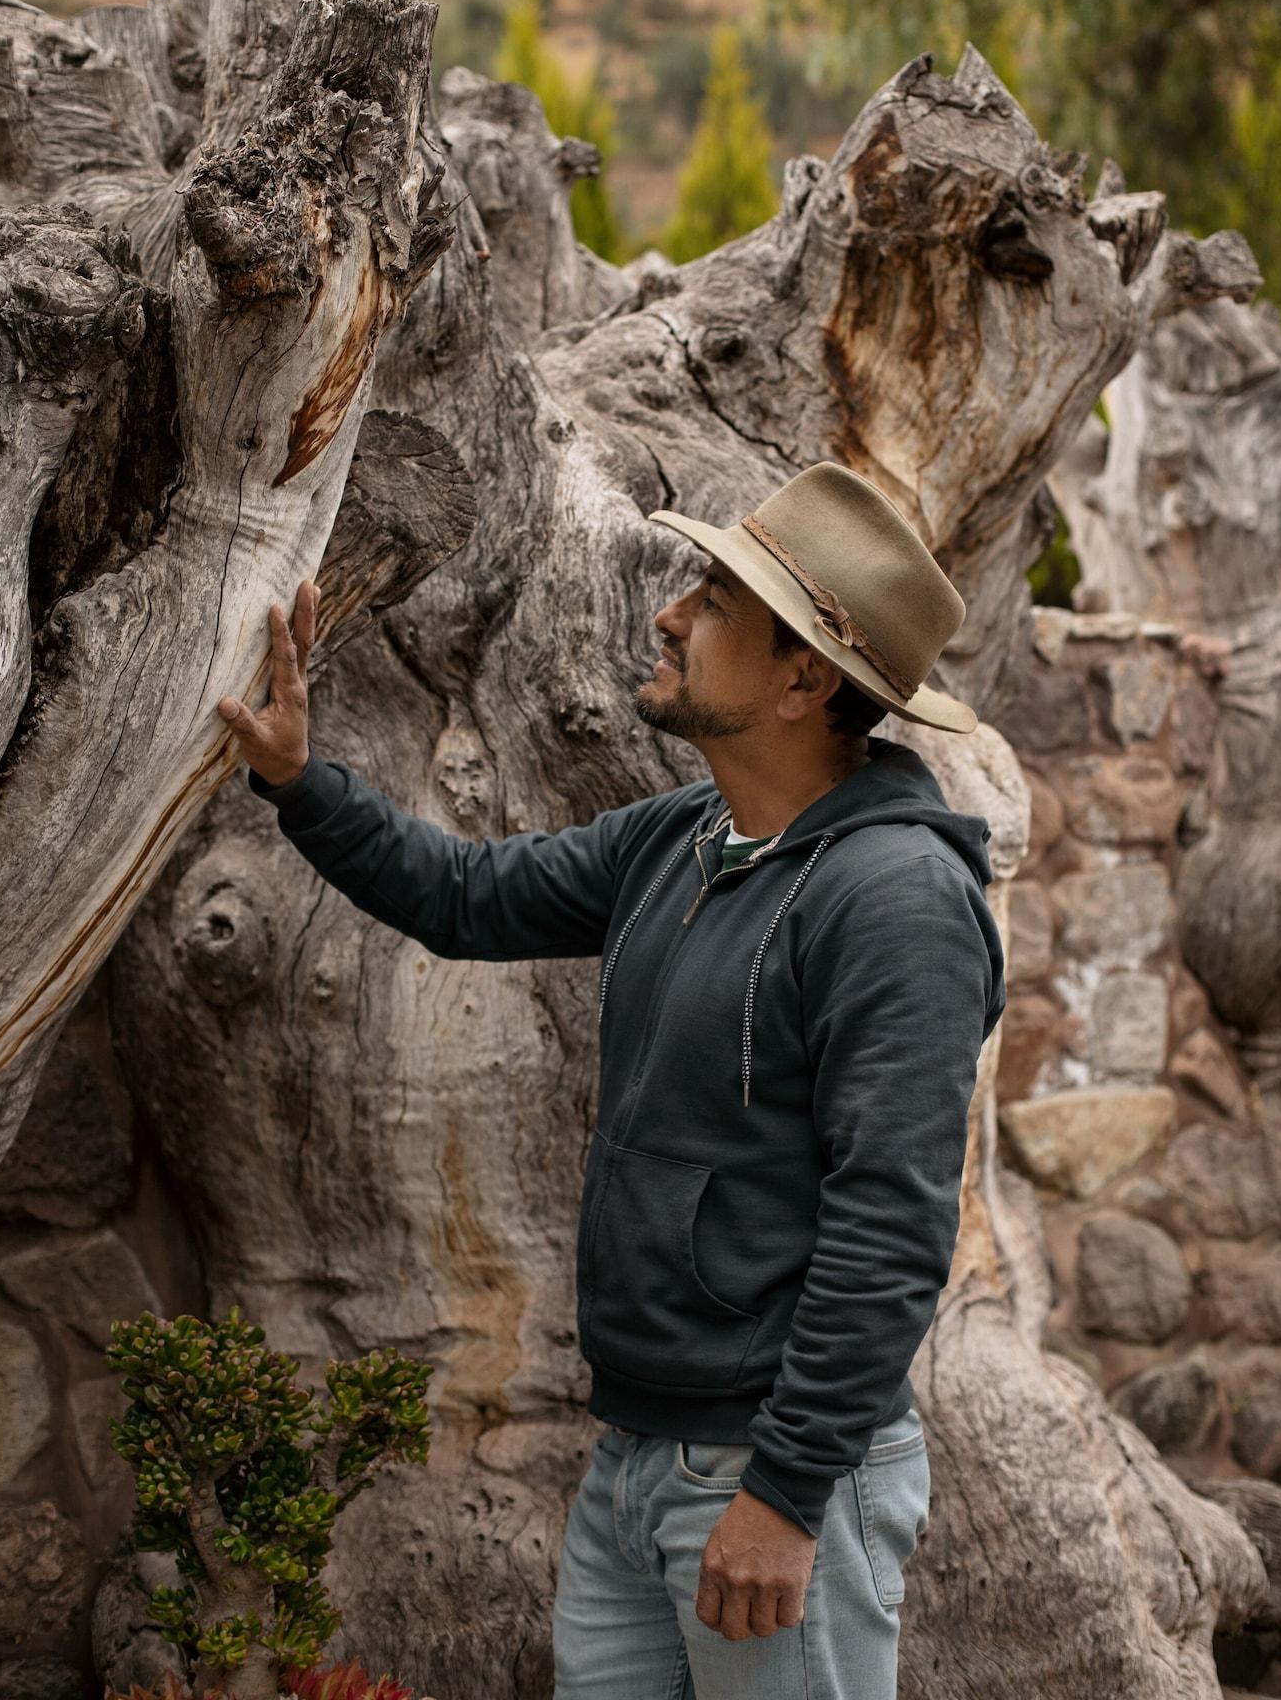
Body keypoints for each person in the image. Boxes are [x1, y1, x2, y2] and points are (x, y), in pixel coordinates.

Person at [219, 459, 1006, 1700]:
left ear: (805, 677)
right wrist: (297, 778)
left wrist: (785, 1492)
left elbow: (894, 1223)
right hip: (640, 1453)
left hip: (770, 1473)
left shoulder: (895, 899)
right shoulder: (680, 837)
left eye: (715, 600)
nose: (669, 611)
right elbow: (463, 895)